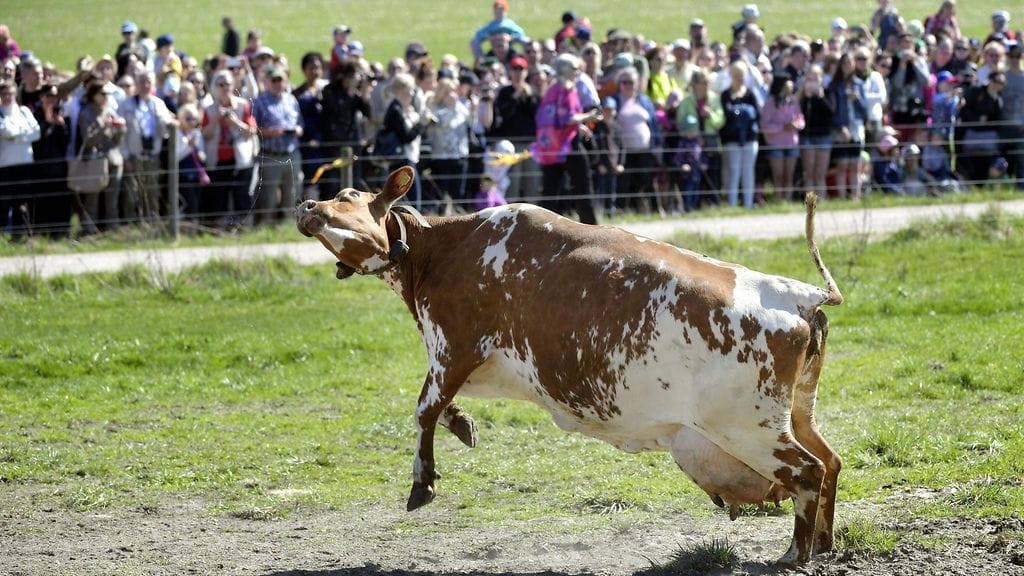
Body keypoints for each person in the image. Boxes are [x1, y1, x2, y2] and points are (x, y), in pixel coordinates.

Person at [533, 53, 599, 224]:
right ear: (563, 69)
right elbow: (568, 118)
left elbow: (553, 118)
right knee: (583, 186)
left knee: (551, 189)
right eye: (574, 68)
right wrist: (588, 117)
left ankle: (544, 227)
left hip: (551, 146)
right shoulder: (567, 89)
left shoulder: (551, 90)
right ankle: (589, 225)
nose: (578, 71)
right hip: (568, 145)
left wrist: (579, 126)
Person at [201, 69, 258, 230]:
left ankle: (244, 227)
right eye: (221, 84)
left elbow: (252, 131)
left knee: (242, 194)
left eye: (228, 84)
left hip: (241, 159)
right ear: (215, 87)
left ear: (233, 86)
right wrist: (215, 120)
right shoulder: (209, 109)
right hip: (218, 159)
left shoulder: (243, 105)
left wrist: (235, 123)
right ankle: (221, 229)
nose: (225, 87)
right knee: (219, 195)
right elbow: (204, 135)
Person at [118, 70, 176, 225]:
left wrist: (168, 122)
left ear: (153, 84)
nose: (145, 85)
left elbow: (166, 129)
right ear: (136, 84)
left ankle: (152, 222)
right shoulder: (126, 105)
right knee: (131, 192)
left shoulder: (158, 104)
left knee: (152, 190)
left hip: (153, 154)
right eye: (142, 81)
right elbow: (120, 134)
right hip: (133, 155)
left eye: (148, 81)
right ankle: (129, 224)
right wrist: (124, 156)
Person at [252, 66, 303, 226]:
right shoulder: (259, 102)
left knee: (293, 192)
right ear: (267, 82)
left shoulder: (291, 100)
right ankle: (266, 225)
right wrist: (269, 132)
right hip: (271, 155)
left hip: (291, 153)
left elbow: (300, 123)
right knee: (268, 195)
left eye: (280, 80)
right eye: (274, 80)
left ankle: (290, 226)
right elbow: (253, 129)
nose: (277, 83)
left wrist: (298, 130)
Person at [483, 55, 538, 201]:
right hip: (511, 145)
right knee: (513, 182)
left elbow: (536, 116)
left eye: (521, 69)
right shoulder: (505, 92)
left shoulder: (532, 92)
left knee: (531, 181)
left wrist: (529, 97)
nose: (518, 72)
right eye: (515, 69)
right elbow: (504, 114)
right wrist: (516, 96)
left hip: (530, 144)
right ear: (510, 71)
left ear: (526, 72)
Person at [76, 81, 126, 234]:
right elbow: (88, 140)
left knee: (112, 197)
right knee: (93, 197)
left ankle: (112, 229)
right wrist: (103, 127)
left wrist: (120, 130)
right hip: (95, 161)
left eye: (107, 94)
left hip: (113, 160)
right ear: (94, 94)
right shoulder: (86, 114)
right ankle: (90, 231)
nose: (105, 97)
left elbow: (117, 142)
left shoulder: (110, 111)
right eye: (103, 94)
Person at [612, 66, 661, 214]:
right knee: (626, 181)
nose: (628, 85)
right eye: (624, 82)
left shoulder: (644, 100)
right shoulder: (614, 101)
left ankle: (655, 210)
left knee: (648, 180)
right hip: (624, 151)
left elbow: (653, 123)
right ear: (619, 84)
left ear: (637, 83)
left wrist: (657, 144)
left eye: (631, 82)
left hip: (644, 149)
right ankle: (624, 210)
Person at [380, 72, 432, 209]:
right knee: (413, 202)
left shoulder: (402, 108)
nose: (413, 92)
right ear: (402, 90)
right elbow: (406, 136)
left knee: (409, 201)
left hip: (407, 159)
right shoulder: (395, 109)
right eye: (410, 89)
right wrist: (422, 123)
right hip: (402, 161)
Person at [676, 70, 724, 209]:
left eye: (707, 82)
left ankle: (714, 203)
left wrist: (711, 115)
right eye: (703, 82)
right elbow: (680, 124)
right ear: (695, 84)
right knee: (694, 177)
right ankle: (693, 205)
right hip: (693, 145)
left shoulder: (714, 99)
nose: (706, 85)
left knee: (713, 173)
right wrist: (693, 134)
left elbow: (721, 121)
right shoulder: (686, 101)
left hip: (711, 141)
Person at [322, 60, 371, 192]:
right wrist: (351, 91)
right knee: (333, 184)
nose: (359, 78)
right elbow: (337, 110)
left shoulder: (355, 95)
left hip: (352, 143)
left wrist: (364, 92)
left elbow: (368, 112)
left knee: (354, 181)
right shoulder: (330, 91)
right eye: (356, 75)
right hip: (334, 145)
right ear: (346, 76)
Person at [31, 83, 72, 236]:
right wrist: (47, 122)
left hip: (60, 167)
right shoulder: (35, 114)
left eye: (55, 96)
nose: (52, 99)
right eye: (48, 96)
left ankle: (60, 233)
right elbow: (35, 140)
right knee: (42, 202)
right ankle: (41, 234)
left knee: (60, 201)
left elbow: (67, 141)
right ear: (41, 97)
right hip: (40, 168)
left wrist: (61, 126)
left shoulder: (62, 114)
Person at [0, 79, 40, 236]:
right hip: (5, 165)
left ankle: (20, 235)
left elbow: (36, 133)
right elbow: (5, 132)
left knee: (22, 201)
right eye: (3, 94)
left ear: (15, 93)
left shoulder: (24, 111)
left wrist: (16, 136)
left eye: (10, 93)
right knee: (4, 202)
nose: (7, 97)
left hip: (25, 163)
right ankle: (3, 235)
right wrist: (24, 133)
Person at [425, 78, 471, 210]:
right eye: (450, 92)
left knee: (458, 192)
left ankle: (459, 217)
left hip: (460, 155)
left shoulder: (462, 108)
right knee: (441, 193)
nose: (454, 95)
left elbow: (472, 124)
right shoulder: (434, 109)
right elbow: (442, 124)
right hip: (441, 156)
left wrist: (473, 110)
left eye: (454, 92)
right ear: (443, 94)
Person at [720, 60, 761, 208]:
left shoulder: (750, 94)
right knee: (733, 172)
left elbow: (756, 114)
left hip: (750, 139)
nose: (739, 78)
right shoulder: (725, 95)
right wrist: (744, 112)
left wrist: (738, 112)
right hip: (732, 140)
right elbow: (727, 114)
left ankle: (748, 204)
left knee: (749, 172)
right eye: (736, 75)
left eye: (742, 75)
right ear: (731, 76)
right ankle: (732, 205)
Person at [828, 53, 868, 199]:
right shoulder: (834, 86)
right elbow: (832, 110)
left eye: (850, 63)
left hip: (856, 127)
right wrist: (840, 127)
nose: (847, 66)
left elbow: (865, 110)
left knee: (855, 165)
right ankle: (842, 196)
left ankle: (855, 197)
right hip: (841, 129)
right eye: (844, 63)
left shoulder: (859, 84)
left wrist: (857, 99)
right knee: (842, 164)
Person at [760, 76, 803, 201]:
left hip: (792, 143)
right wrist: (782, 127)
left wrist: (796, 125)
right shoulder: (770, 103)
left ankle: (787, 200)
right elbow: (765, 124)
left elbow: (800, 118)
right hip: (776, 144)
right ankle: (778, 200)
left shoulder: (794, 101)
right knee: (778, 175)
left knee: (789, 175)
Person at [958, 71, 1005, 186]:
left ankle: (980, 188)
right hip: (971, 136)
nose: (997, 85)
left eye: (1001, 82)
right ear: (990, 80)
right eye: (996, 81)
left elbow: (997, 122)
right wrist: (977, 119)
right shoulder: (976, 92)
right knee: (969, 164)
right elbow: (964, 110)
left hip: (987, 140)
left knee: (984, 165)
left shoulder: (998, 100)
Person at [293, 52, 328, 200]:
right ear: (304, 69)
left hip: (326, 143)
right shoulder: (298, 93)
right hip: (306, 144)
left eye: (318, 67)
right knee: (310, 179)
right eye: (311, 67)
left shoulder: (327, 90)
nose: (314, 71)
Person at [799, 66, 833, 198]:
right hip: (807, 137)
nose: (812, 81)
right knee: (809, 174)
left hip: (823, 137)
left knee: (820, 174)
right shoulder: (801, 95)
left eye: (815, 78)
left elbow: (831, 113)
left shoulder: (828, 92)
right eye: (809, 78)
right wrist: (805, 96)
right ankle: (811, 207)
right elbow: (797, 113)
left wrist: (820, 97)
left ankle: (822, 203)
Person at [174, 103, 206, 226]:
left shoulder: (197, 133)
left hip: (196, 175)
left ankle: (193, 232)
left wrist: (202, 155)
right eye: (188, 119)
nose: (191, 122)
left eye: (194, 119)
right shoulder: (177, 134)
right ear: (181, 118)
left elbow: (203, 154)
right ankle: (183, 231)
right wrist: (189, 146)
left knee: (196, 204)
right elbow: (176, 157)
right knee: (188, 204)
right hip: (182, 175)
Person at [1002, 43, 1024, 190]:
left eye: (1018, 56)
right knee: (1006, 157)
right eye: (1012, 56)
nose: (1015, 59)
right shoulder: (1003, 77)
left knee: (1021, 157)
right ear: (1008, 58)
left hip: (1021, 126)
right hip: (1004, 124)